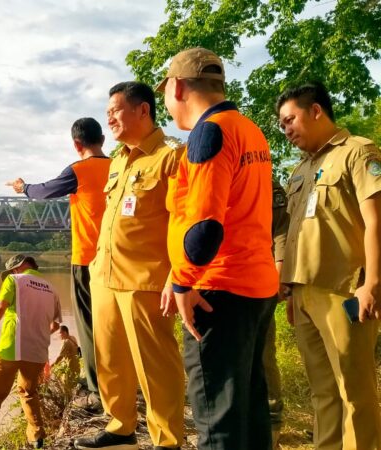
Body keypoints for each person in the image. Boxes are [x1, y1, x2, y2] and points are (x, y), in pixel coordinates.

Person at [158, 47, 278, 450]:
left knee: (217, 422)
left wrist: (181, 282)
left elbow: (205, 229)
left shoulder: (209, 133)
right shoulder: (250, 129)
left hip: (217, 293)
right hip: (255, 286)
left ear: (177, 87)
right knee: (248, 409)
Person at [73, 81, 185, 450]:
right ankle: (121, 427)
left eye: (116, 111)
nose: (110, 119)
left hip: (146, 278)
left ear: (143, 111)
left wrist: (178, 276)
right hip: (104, 275)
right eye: (107, 113)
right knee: (109, 359)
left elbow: (184, 221)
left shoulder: (171, 156)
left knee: (156, 366)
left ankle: (167, 440)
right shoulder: (118, 159)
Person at [276, 81, 381, 450]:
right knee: (323, 393)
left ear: (316, 111)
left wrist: (372, 283)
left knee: (354, 390)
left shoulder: (358, 152)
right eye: (282, 125)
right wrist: (291, 290)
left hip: (344, 290)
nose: (286, 130)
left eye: (290, 120)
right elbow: (294, 233)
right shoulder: (300, 170)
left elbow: (375, 222)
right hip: (303, 294)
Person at [7, 117, 109, 399]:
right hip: (119, 258)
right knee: (116, 322)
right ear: (102, 139)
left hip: (88, 258)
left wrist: (23, 187)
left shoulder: (80, 169)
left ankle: (95, 386)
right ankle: (124, 378)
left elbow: (44, 191)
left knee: (88, 323)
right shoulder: (119, 166)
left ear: (77, 145)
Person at [0, 254, 62, 450]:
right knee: (29, 392)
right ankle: (37, 438)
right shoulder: (52, 289)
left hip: (10, 350)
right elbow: (54, 326)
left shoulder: (14, 280)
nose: (12, 273)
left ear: (18, 267)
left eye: (13, 270)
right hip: (38, 352)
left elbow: (0, 308)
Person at [266, 180, 290, 450]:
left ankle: (272, 420)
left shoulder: (266, 182)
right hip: (221, 283)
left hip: (259, 281)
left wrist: (278, 274)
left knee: (262, 352)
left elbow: (281, 230)